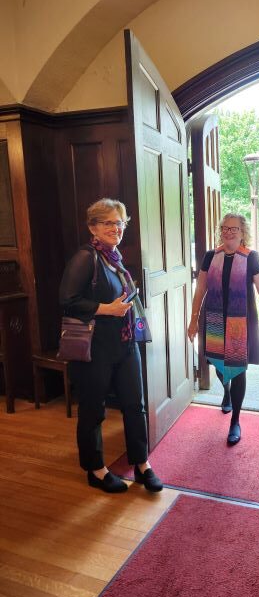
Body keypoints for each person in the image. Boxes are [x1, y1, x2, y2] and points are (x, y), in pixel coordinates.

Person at [59, 198, 163, 494]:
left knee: (135, 405)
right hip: (95, 349)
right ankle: (95, 469)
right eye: (108, 223)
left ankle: (142, 464)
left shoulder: (113, 257)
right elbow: (67, 300)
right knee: (93, 411)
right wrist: (107, 309)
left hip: (124, 344)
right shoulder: (85, 257)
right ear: (92, 226)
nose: (116, 228)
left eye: (120, 223)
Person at [188, 213, 259, 444]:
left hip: (240, 324)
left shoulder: (252, 257)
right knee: (219, 365)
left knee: (238, 369)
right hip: (214, 320)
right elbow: (200, 289)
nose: (229, 232)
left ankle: (235, 421)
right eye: (225, 228)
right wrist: (193, 320)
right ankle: (226, 392)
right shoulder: (211, 256)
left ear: (243, 232)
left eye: (234, 229)